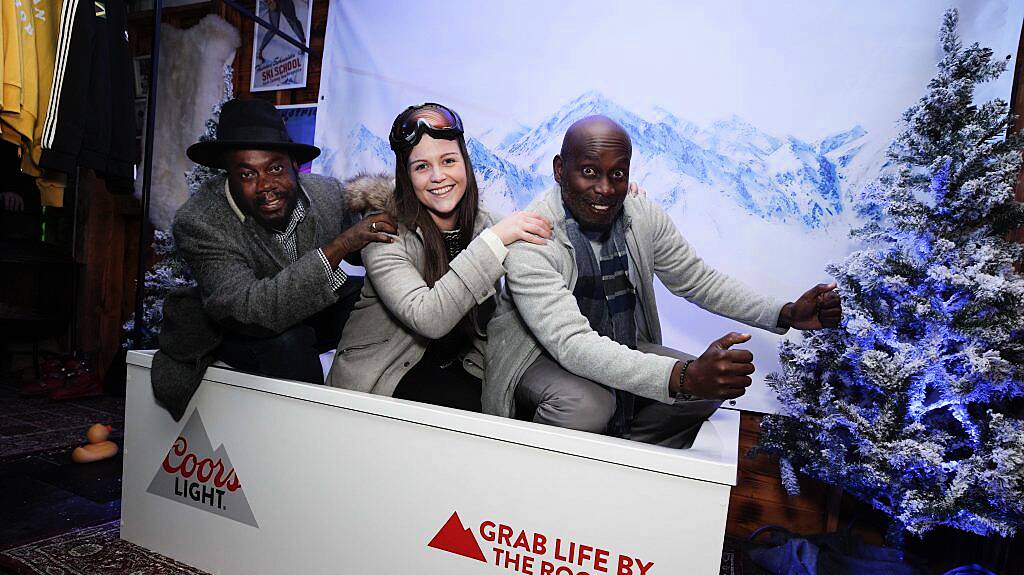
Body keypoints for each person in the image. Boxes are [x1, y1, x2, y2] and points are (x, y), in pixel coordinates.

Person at [483, 115, 841, 448]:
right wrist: (682, 376)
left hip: (617, 340)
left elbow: (697, 280)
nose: (605, 189)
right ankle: (538, 484)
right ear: (560, 170)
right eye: (589, 172)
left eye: (617, 174)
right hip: (536, 355)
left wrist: (787, 312)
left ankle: (621, 463)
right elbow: (571, 344)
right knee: (586, 406)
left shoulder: (640, 214)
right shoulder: (532, 237)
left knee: (709, 385)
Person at [152, 97, 396, 420]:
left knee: (377, 303)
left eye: (275, 168)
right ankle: (313, 431)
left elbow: (362, 247)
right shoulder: (200, 222)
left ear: (295, 166)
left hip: (312, 310)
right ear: (229, 175)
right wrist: (340, 245)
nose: (266, 185)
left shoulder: (326, 194)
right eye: (247, 174)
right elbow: (252, 310)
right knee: (289, 343)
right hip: (240, 327)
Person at [326, 103, 552, 411]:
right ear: (406, 176)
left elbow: (546, 231)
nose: (438, 176)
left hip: (463, 364)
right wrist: (495, 241)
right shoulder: (383, 230)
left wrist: (616, 197)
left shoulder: (483, 224)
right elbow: (428, 317)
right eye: (421, 167)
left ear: (466, 164)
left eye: (448, 161)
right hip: (385, 377)